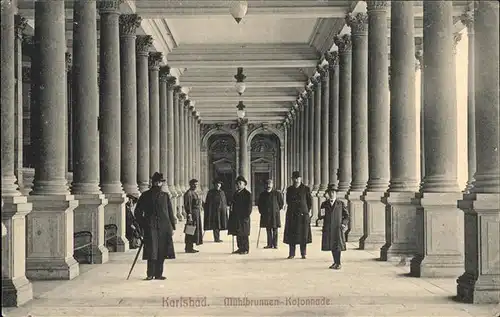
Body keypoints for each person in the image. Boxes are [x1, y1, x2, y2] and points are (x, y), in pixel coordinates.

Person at [134, 172, 176, 280]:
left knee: (161, 250)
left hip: (164, 227)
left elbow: (170, 212)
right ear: (155, 182)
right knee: (152, 251)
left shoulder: (165, 196)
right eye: (159, 182)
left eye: (161, 182)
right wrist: (144, 223)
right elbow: (138, 212)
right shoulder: (145, 195)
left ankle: (158, 274)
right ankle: (150, 274)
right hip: (151, 227)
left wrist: (172, 226)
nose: (160, 184)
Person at [319, 184, 349, 269]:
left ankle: (338, 263)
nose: (332, 194)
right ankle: (335, 262)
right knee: (332, 245)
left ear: (336, 193)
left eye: (333, 192)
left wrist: (343, 224)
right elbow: (321, 216)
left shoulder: (341, 203)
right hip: (328, 228)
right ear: (328, 193)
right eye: (330, 192)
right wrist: (322, 212)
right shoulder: (324, 204)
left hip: (337, 228)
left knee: (338, 246)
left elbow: (347, 216)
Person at [284, 171, 312, 259]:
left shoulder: (306, 189)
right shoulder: (289, 189)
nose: (296, 180)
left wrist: (306, 211)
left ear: (300, 179)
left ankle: (303, 253)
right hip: (292, 214)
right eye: (295, 178)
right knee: (292, 234)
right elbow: (288, 201)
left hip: (303, 215)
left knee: (303, 234)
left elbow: (309, 202)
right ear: (292, 179)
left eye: (298, 178)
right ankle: (292, 253)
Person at [227, 175, 252, 254]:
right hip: (236, 217)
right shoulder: (235, 193)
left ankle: (245, 249)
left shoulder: (247, 194)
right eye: (237, 183)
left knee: (244, 233)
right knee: (238, 233)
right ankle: (240, 248)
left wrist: (246, 216)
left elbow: (249, 207)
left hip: (244, 217)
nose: (238, 185)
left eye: (240, 183)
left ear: (244, 184)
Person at [257, 179, 284, 249]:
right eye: (267, 184)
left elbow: (281, 203)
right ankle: (269, 244)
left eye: (270, 184)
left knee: (275, 229)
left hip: (274, 215)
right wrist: (262, 212)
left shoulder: (277, 193)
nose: (269, 185)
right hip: (266, 215)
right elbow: (259, 204)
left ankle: (275, 244)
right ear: (265, 185)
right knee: (268, 229)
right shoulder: (262, 194)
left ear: (272, 185)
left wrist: (276, 210)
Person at [184, 179, 203, 253]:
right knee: (190, 230)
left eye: (196, 184)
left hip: (196, 214)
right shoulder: (188, 193)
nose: (195, 186)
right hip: (192, 214)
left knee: (194, 231)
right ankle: (188, 248)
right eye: (194, 184)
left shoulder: (194, 193)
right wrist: (189, 215)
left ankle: (190, 247)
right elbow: (187, 205)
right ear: (190, 184)